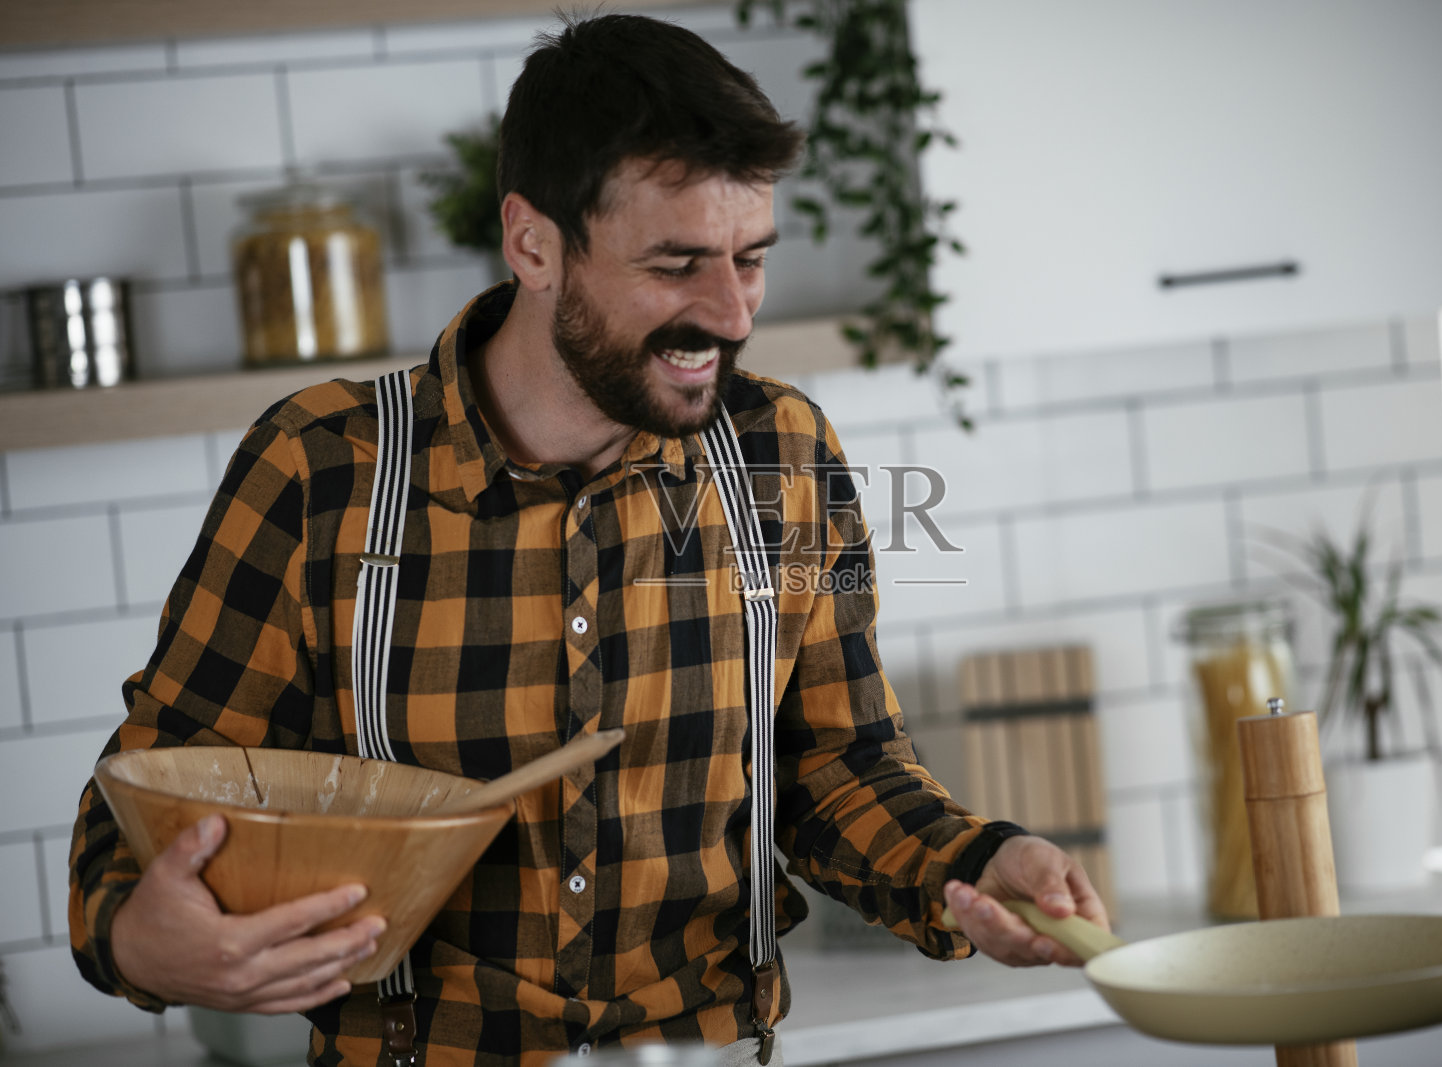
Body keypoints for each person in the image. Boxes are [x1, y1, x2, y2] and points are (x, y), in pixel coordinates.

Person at [68, 13, 1107, 1066]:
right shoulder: (319, 469)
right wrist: (138, 936)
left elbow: (837, 766)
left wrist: (974, 858)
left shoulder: (783, 451)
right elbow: (148, 796)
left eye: (750, 258)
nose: (730, 313)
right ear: (533, 245)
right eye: (676, 264)